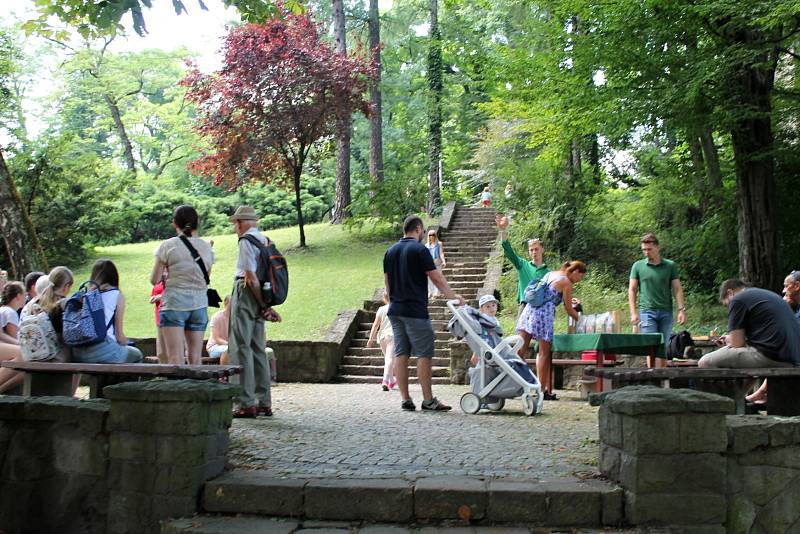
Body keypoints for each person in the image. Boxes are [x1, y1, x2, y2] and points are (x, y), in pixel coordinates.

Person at [384, 215, 465, 412]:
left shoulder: (390, 251)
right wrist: (453, 297)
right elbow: (436, 278)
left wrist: (393, 301)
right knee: (424, 353)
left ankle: (406, 399)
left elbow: (387, 283)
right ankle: (428, 400)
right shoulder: (420, 249)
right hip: (415, 311)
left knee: (401, 353)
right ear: (419, 229)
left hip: (395, 310)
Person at [228, 206, 282, 418]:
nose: (235, 228)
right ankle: (263, 401)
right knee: (258, 347)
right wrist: (265, 305)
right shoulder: (266, 240)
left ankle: (245, 402)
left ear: (240, 223)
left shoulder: (246, 242)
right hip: (263, 293)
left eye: (235, 224)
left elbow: (249, 277)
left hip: (247, 293)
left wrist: (260, 303)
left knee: (241, 346)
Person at [151, 205, 214, 365]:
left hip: (174, 305)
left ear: (174, 223)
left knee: (175, 358)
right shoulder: (207, 247)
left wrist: (167, 272)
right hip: (199, 304)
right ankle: (195, 389)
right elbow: (206, 277)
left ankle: (178, 389)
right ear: (197, 222)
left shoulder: (168, 246)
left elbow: (154, 279)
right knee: (195, 358)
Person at [516, 261, 587, 401]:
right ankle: (541, 391)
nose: (580, 280)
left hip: (529, 311)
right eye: (581, 276)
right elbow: (568, 309)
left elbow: (548, 292)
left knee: (520, 351)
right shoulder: (567, 282)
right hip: (543, 316)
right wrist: (582, 320)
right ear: (576, 271)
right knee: (544, 353)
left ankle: (515, 383)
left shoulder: (551, 274)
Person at [699, 279, 800, 374]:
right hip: (793, 358)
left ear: (730, 293)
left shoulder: (738, 299)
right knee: (745, 368)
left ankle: (720, 393)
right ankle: (739, 393)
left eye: (727, 305)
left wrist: (728, 340)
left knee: (704, 362)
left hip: (770, 356)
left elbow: (737, 344)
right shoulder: (765, 295)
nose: (728, 308)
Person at [0, 267, 74, 393]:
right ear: (66, 286)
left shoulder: (35, 302)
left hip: (42, 352)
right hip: (48, 353)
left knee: (29, 360)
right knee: (25, 356)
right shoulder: (62, 303)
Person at [628, 233, 686, 368]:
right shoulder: (638, 266)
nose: (646, 252)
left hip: (666, 311)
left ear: (657, 248)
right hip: (647, 311)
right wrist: (633, 312)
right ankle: (652, 376)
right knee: (651, 346)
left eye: (649, 249)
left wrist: (681, 310)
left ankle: (662, 378)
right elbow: (632, 289)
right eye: (644, 250)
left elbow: (677, 288)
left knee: (663, 346)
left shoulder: (670, 266)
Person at [71, 259, 143, 364]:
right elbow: (119, 337)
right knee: (137, 355)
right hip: (103, 349)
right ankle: (126, 381)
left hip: (79, 352)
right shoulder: (117, 296)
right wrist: (128, 343)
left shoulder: (85, 295)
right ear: (114, 276)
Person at [495, 214, 549, 318]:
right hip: (524, 306)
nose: (534, 252)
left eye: (536, 249)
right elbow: (508, 251)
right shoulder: (522, 265)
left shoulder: (548, 272)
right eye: (531, 250)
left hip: (541, 308)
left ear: (542, 250)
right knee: (521, 335)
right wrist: (503, 230)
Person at [366, 291, 396, 391]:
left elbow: (375, 325)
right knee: (390, 359)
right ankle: (385, 380)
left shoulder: (381, 309)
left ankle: (391, 381)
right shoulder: (397, 308)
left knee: (388, 359)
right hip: (393, 336)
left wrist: (371, 338)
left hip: (382, 337)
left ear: (384, 299)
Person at [470, 294, 500, 367]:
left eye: (493, 305)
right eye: (488, 306)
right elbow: (481, 338)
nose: (491, 308)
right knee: (482, 367)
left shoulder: (495, 320)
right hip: (486, 349)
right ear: (482, 309)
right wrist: (476, 354)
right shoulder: (483, 321)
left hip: (495, 348)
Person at [0, 282, 24, 362]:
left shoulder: (3, 310)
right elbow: (12, 336)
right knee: (26, 354)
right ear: (18, 296)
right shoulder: (10, 312)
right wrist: (20, 344)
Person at [149, 270, 167, 363]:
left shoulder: (175, 275)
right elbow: (155, 291)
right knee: (161, 350)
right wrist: (153, 297)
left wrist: (161, 297)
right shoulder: (158, 278)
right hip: (159, 315)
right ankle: (163, 371)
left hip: (170, 315)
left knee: (171, 347)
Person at [207, 295, 231, 361]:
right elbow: (217, 339)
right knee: (229, 349)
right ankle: (224, 370)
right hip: (214, 347)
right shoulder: (217, 317)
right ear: (226, 303)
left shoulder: (237, 318)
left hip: (230, 346)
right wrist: (231, 344)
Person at [425, 229, 447, 299]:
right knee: (429, 279)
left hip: (437, 263)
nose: (432, 236)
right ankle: (430, 292)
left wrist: (444, 261)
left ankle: (436, 293)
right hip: (429, 264)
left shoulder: (439, 244)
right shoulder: (426, 245)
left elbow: (441, 253)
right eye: (430, 235)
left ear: (435, 235)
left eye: (433, 235)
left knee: (437, 278)